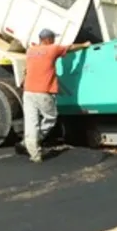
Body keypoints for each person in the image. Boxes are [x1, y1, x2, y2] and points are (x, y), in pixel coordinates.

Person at [20, 29, 90, 163]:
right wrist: (84, 45)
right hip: (43, 92)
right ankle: (36, 140)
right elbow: (71, 48)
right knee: (51, 117)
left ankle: (33, 152)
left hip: (28, 91)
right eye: (53, 38)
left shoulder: (30, 50)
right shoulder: (52, 49)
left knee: (31, 122)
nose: (55, 41)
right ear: (47, 39)